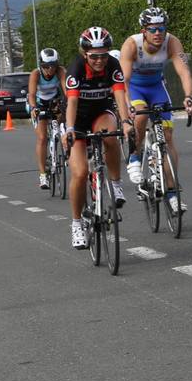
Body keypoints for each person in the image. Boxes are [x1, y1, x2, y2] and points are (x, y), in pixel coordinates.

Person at [121, 7, 192, 214]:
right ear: (143, 31)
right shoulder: (131, 45)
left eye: (161, 29)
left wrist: (189, 96)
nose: (158, 34)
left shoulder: (172, 42)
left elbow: (184, 73)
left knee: (168, 137)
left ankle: (172, 192)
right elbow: (124, 82)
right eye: (153, 29)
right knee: (142, 114)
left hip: (156, 88)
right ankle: (134, 156)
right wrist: (127, 105)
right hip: (135, 88)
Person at [63, 27, 131, 249]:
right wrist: (70, 129)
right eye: (94, 56)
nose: (100, 60)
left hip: (101, 112)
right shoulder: (76, 69)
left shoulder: (113, 65)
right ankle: (76, 224)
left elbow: (120, 94)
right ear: (85, 54)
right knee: (80, 172)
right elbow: (72, 102)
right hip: (78, 118)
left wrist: (127, 122)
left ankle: (115, 183)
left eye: (104, 55)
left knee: (110, 136)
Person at [30, 47, 66, 189]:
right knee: (42, 137)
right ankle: (43, 174)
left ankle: (67, 149)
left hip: (55, 101)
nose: (50, 70)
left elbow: (67, 91)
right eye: (46, 66)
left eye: (53, 66)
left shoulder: (61, 71)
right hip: (39, 104)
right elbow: (32, 95)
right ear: (41, 65)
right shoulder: (36, 74)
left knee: (66, 122)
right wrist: (34, 108)